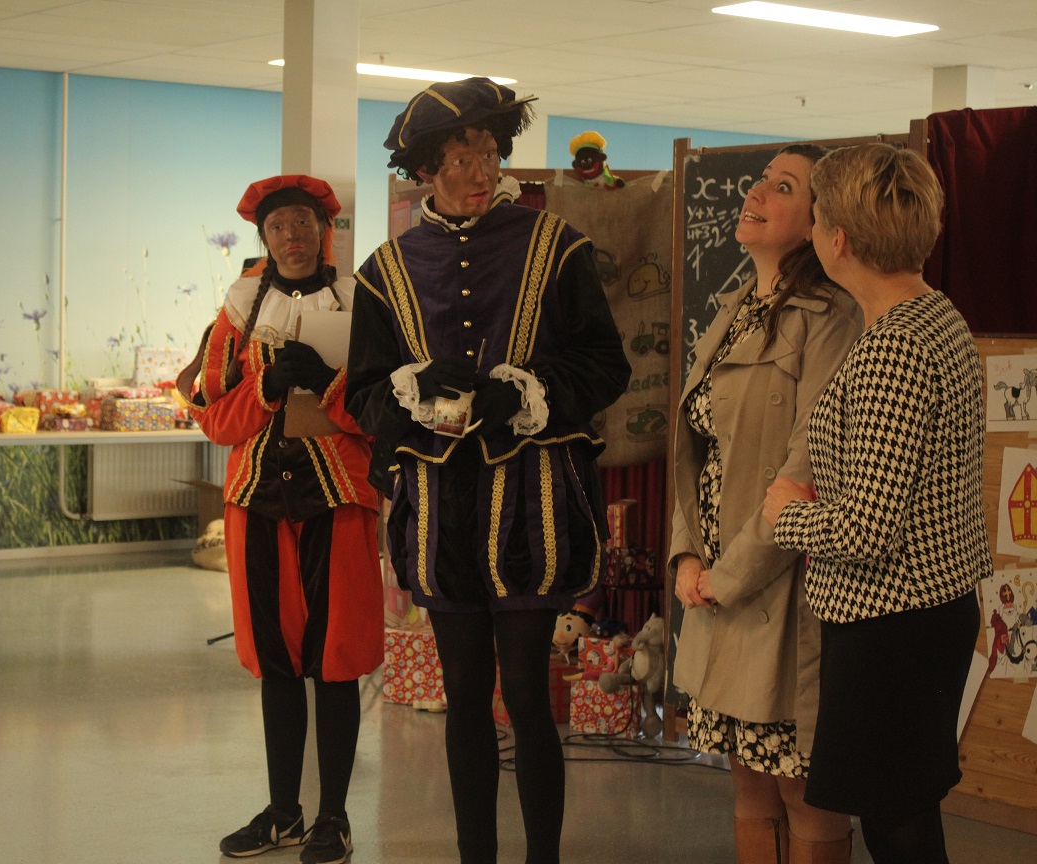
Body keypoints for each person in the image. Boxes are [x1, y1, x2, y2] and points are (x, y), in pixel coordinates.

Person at [344, 77, 631, 864]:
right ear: (424, 171)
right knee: (465, 694)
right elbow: (364, 393)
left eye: (488, 153)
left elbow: (605, 365)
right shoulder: (384, 271)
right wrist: (409, 391)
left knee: (530, 697)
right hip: (441, 512)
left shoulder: (556, 245)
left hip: (532, 507)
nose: (481, 171)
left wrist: (525, 391)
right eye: (460, 158)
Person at [763, 143, 988, 864]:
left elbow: (866, 531)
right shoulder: (936, 316)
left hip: (893, 623)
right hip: (924, 613)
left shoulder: (894, 348)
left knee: (898, 827)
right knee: (904, 817)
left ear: (839, 239)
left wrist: (786, 513)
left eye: (816, 215)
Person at [669, 144, 863, 863]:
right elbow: (696, 450)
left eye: (783, 187)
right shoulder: (734, 308)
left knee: (803, 789)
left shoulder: (832, 316)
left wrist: (729, 577)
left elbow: (805, 470)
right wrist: (687, 556)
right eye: (760, 180)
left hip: (781, 589)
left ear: (819, 222)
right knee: (747, 781)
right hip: (715, 584)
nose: (755, 193)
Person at [190, 174, 381, 864]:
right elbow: (214, 417)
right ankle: (282, 813)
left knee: (335, 661)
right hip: (257, 503)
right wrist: (265, 388)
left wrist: (329, 385)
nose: (292, 237)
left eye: (302, 223)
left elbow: (386, 412)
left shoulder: (363, 306)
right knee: (276, 662)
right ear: (264, 239)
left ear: (324, 231)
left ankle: (333, 817)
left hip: (338, 500)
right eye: (278, 227)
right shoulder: (239, 313)